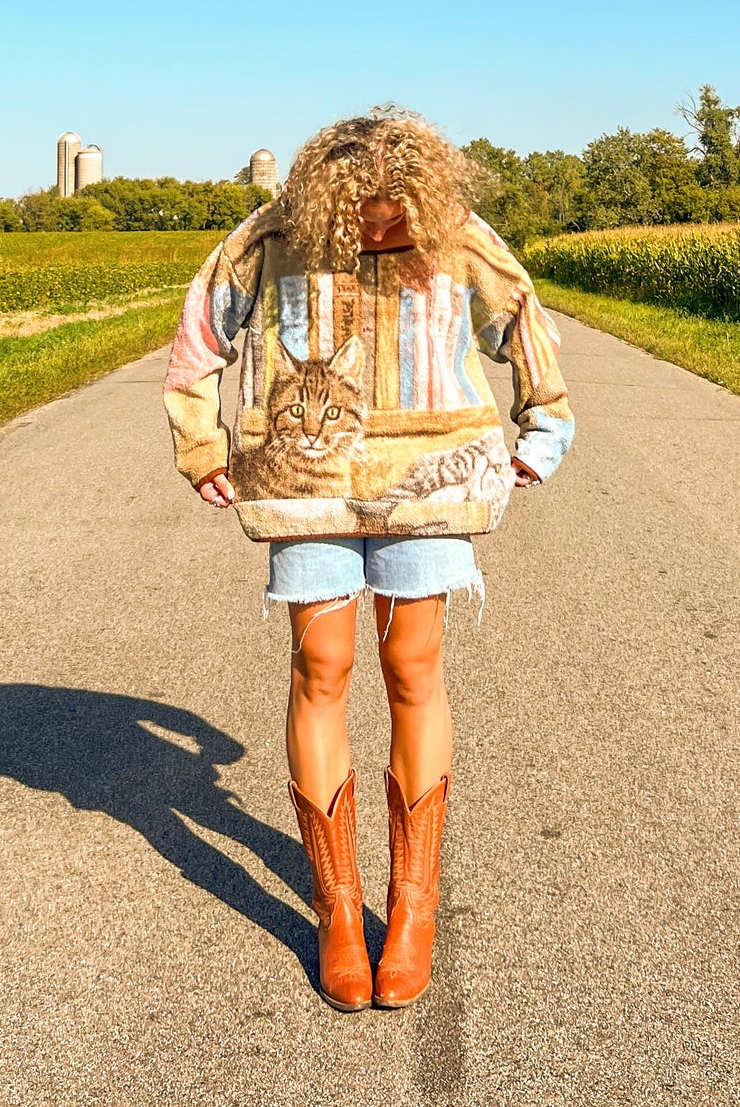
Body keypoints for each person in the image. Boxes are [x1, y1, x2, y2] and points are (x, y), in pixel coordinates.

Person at [163, 109, 574, 1012]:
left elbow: (521, 320)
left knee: (412, 664)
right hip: (302, 480)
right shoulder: (270, 236)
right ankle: (338, 906)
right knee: (321, 665)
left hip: (428, 479)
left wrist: (540, 434)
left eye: (397, 215)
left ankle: (412, 905)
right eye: (367, 216)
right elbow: (201, 335)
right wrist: (201, 446)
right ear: (328, 197)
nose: (383, 230)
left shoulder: (458, 236)